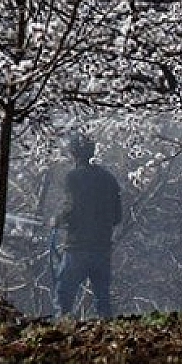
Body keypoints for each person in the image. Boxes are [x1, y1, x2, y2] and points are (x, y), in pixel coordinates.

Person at [53, 133, 122, 319]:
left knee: (64, 294)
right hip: (102, 247)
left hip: (77, 248)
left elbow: (71, 206)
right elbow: (117, 217)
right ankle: (107, 329)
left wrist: (57, 220)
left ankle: (63, 326)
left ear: (74, 154)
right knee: (102, 297)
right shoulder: (109, 179)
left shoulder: (73, 178)